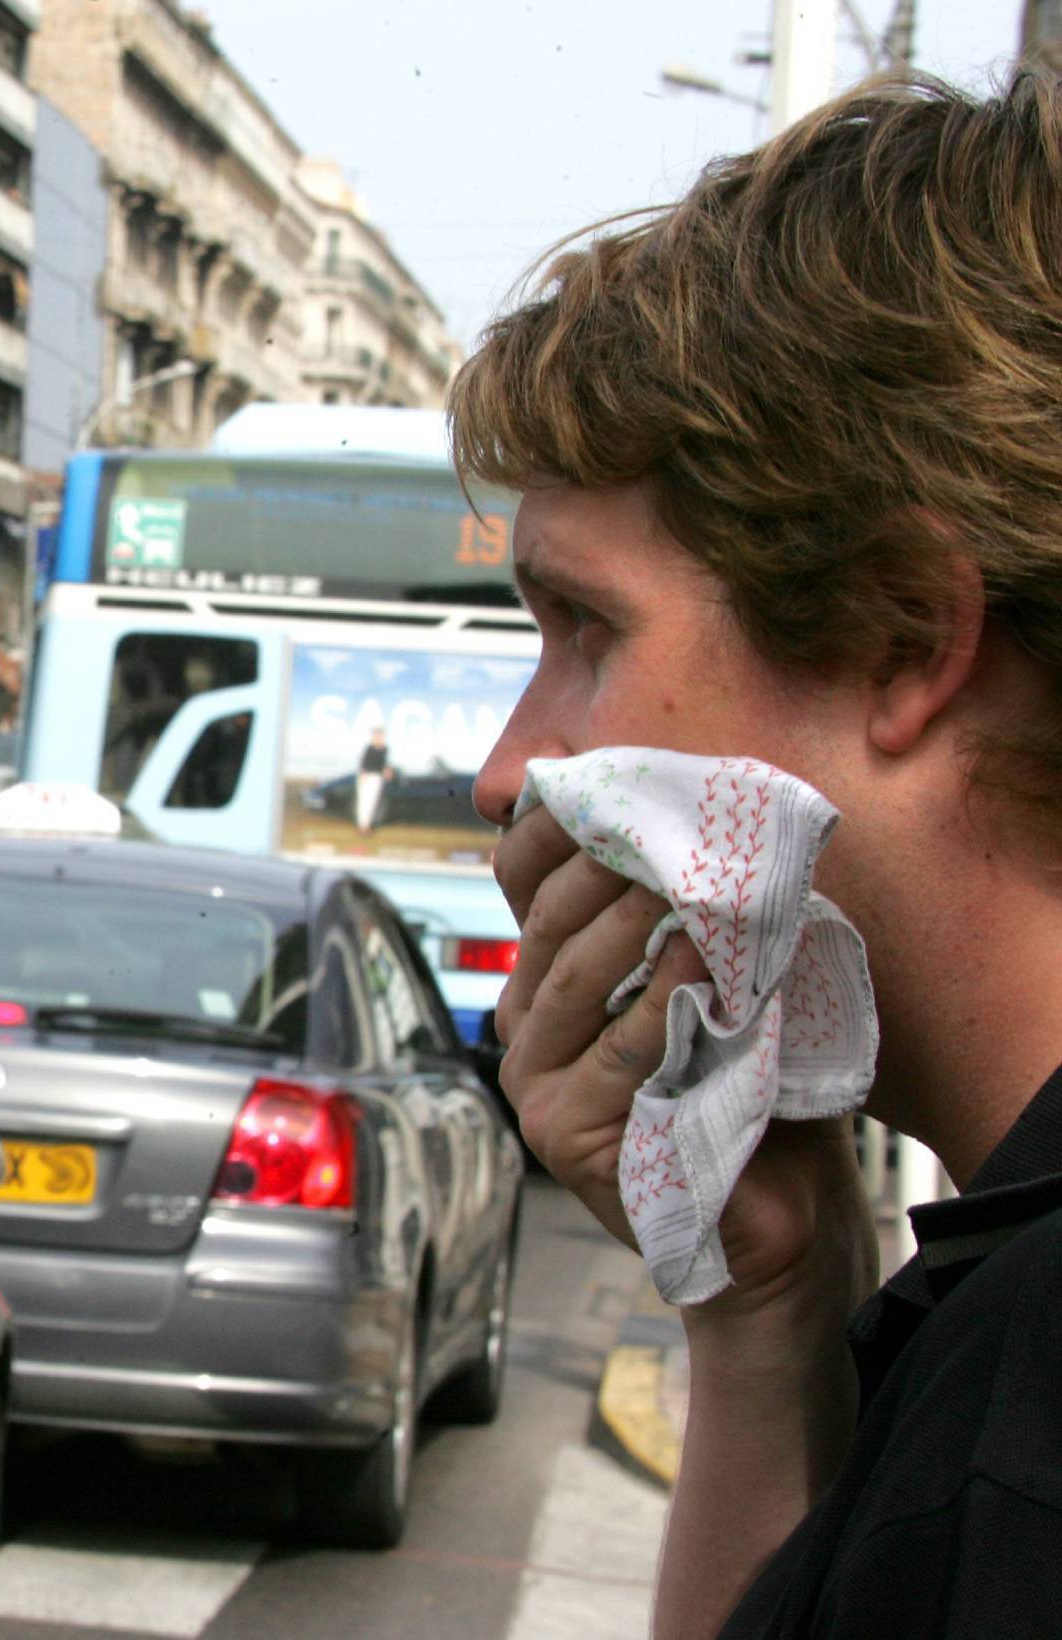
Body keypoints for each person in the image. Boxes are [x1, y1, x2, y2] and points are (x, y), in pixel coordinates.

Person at [456, 73, 1062, 1638]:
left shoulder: (1029, 1422)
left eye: (584, 625)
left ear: (903, 636)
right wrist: (764, 1295)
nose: (507, 768)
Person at [354, 726, 390, 834]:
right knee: (363, 802)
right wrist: (362, 775)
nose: (378, 737)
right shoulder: (369, 748)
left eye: (380, 735)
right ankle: (362, 826)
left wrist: (387, 771)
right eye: (376, 735)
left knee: (372, 802)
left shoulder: (385, 749)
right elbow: (363, 764)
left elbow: (383, 764)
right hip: (366, 777)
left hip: (377, 778)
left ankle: (367, 825)